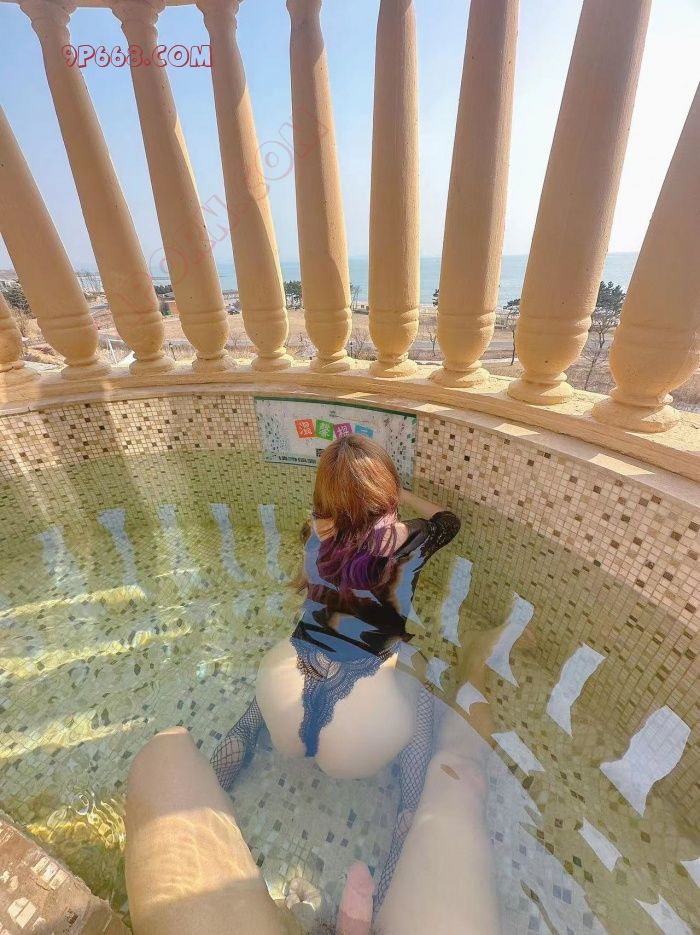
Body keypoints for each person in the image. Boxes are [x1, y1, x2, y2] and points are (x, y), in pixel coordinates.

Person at [210, 434, 461, 907]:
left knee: (280, 677)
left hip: (287, 696)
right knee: (422, 679)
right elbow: (449, 520)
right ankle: (397, 844)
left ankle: (220, 771)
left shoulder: (312, 531)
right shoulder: (410, 540)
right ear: (385, 494)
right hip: (360, 733)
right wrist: (403, 495)